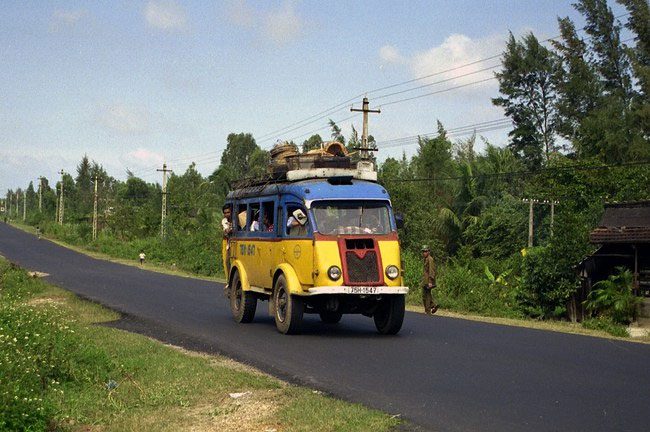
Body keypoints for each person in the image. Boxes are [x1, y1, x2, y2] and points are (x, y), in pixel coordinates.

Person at [421, 245, 437, 315]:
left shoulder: (430, 259)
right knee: (425, 294)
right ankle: (433, 306)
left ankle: (428, 311)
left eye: (425, 251)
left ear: (428, 252)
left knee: (426, 295)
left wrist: (430, 281)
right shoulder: (426, 259)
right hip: (425, 279)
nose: (424, 253)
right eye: (423, 251)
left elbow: (431, 270)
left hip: (428, 280)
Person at [222, 205, 233, 297]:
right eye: (225, 213)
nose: (227, 214)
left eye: (228, 212)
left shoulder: (236, 219)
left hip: (233, 241)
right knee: (226, 261)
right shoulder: (224, 221)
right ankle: (228, 281)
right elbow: (226, 232)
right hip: (226, 241)